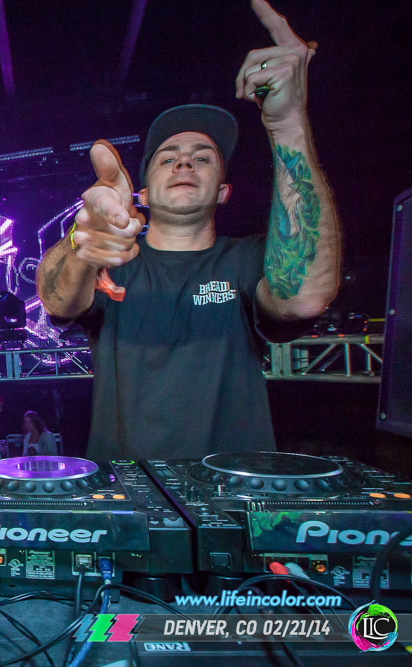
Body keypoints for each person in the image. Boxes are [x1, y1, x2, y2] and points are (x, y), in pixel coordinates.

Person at [36, 0, 340, 461]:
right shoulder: (115, 262)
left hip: (233, 492)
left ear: (223, 191)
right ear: (143, 192)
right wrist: (83, 243)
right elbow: (57, 300)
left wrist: (286, 122)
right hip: (130, 496)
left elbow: (303, 297)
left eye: (202, 158)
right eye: (168, 158)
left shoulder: (246, 259)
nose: (184, 162)